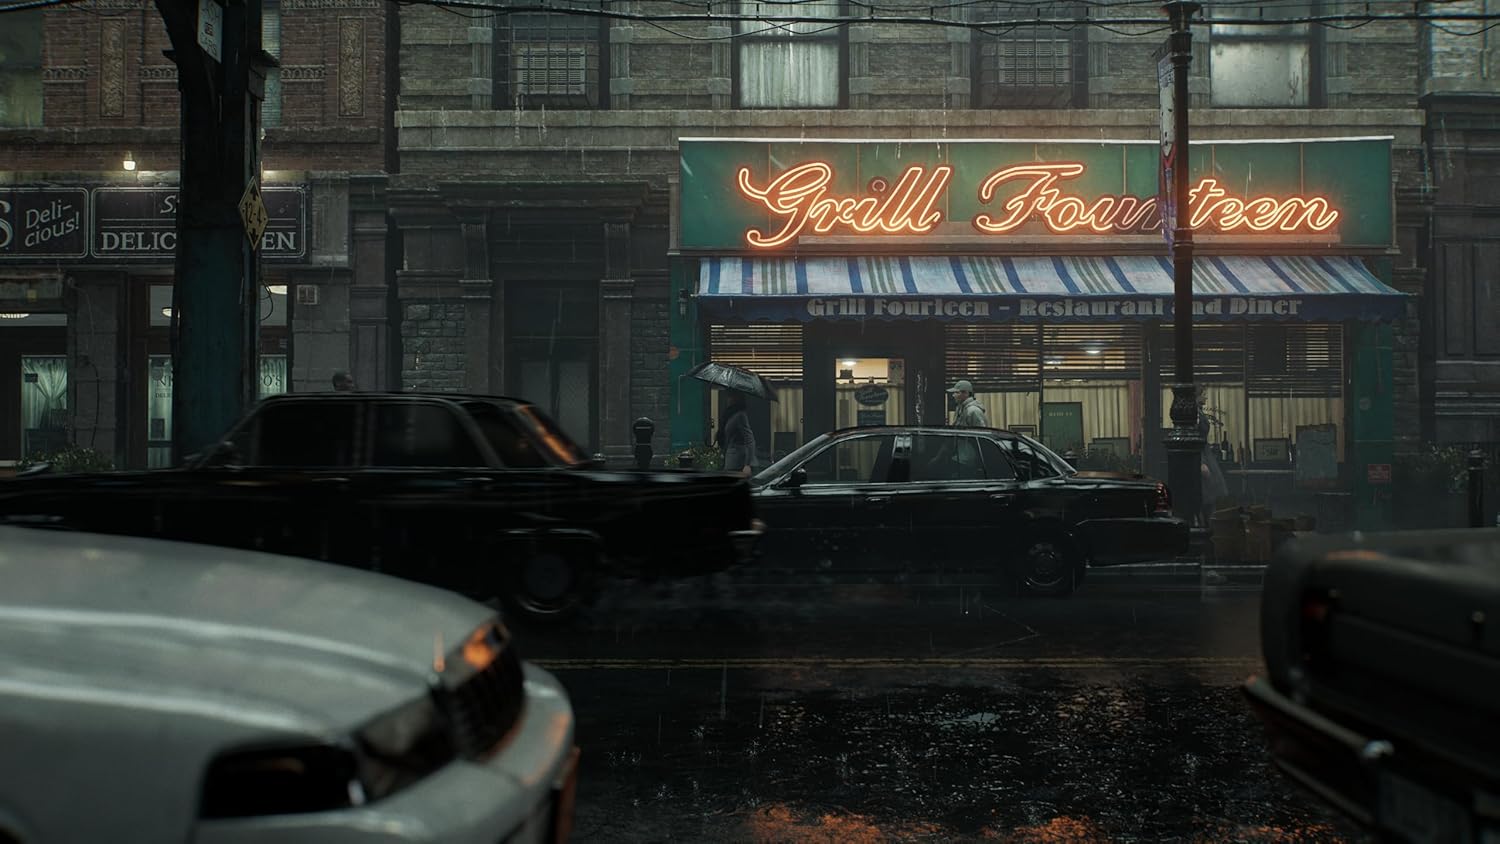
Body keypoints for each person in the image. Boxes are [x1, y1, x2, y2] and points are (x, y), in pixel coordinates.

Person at [717, 391, 756, 477]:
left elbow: (750, 440)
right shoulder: (730, 414)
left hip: (738, 462)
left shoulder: (740, 415)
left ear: (737, 399)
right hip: (730, 459)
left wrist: (747, 464)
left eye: (731, 397)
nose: (728, 399)